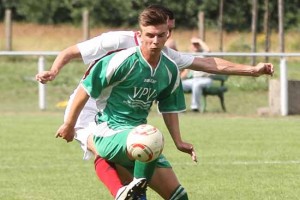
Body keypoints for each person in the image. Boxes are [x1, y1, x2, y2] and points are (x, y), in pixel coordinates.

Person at [36, 4, 273, 199]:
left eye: (166, 32)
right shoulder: (117, 43)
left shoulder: (168, 61)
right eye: (154, 33)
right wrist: (53, 72)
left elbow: (208, 64)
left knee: (174, 189)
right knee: (123, 145)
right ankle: (122, 192)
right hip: (89, 107)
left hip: (133, 125)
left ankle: (130, 191)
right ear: (140, 33)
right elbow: (70, 53)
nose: (159, 39)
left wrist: (252, 70)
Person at [55, 6, 195, 200]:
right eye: (150, 35)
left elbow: (169, 107)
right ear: (140, 34)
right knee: (149, 136)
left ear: (168, 34)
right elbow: (84, 89)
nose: (155, 41)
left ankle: (132, 192)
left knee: (179, 196)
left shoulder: (170, 69)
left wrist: (178, 142)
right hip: (109, 131)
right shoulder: (120, 60)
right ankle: (136, 189)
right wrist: (69, 125)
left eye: (161, 35)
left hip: (138, 137)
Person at [181, 37, 213, 112]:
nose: (195, 46)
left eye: (197, 44)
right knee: (178, 85)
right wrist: (177, 80)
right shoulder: (190, 56)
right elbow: (186, 71)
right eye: (193, 44)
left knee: (196, 85)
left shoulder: (204, 54)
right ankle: (179, 107)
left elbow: (208, 50)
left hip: (206, 79)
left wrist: (199, 41)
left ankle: (195, 108)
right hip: (194, 79)